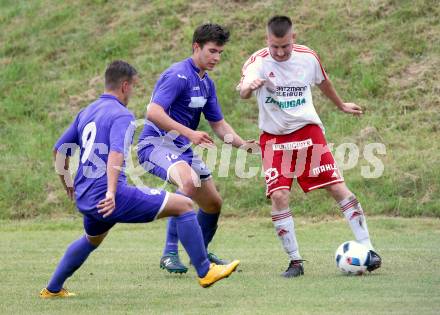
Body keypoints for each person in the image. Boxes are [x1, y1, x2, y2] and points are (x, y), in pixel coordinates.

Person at [40, 60, 240, 298]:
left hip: (86, 195)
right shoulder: (122, 115)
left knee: (91, 239)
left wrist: (68, 184)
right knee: (184, 205)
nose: (133, 92)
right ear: (125, 86)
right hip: (108, 196)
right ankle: (205, 271)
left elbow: (60, 150)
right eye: (133, 86)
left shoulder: (87, 111)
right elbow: (116, 154)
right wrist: (112, 192)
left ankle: (52, 289)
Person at [238, 16, 381, 278]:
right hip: (274, 138)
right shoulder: (257, 62)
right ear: (266, 40)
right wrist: (249, 87)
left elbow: (323, 82)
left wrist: (340, 105)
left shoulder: (308, 57)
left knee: (337, 186)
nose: (280, 52)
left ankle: (369, 250)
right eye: (274, 46)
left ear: (293, 38)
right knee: (279, 196)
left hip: (308, 131)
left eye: (285, 46)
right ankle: (295, 262)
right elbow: (243, 89)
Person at [137, 23, 254, 274]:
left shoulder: (206, 84)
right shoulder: (178, 75)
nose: (217, 57)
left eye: (220, 52)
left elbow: (219, 125)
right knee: (188, 183)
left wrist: (245, 146)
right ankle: (169, 253)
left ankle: (199, 252)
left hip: (182, 150)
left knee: (213, 204)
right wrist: (190, 133)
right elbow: (153, 112)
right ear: (196, 47)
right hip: (155, 144)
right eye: (212, 51)